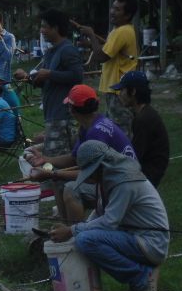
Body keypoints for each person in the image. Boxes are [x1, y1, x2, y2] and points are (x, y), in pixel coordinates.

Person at [49, 140, 169, 291]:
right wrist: (77, 229)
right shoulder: (110, 177)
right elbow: (100, 213)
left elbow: (109, 222)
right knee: (84, 236)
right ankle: (140, 275)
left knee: (85, 240)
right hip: (134, 235)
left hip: (151, 242)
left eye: (90, 172)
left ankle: (142, 277)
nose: (89, 177)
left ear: (101, 165)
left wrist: (72, 230)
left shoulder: (124, 182)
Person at [26, 84, 136, 223]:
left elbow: (90, 176)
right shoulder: (91, 124)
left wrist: (51, 173)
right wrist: (45, 159)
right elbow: (74, 158)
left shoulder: (96, 131)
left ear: (72, 109)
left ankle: (73, 234)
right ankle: (65, 227)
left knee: (70, 189)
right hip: (115, 180)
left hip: (121, 186)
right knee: (58, 181)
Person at [14, 9, 83, 216]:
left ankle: (66, 219)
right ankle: (63, 214)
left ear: (56, 28)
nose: (42, 30)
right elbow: (42, 81)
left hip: (63, 117)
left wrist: (50, 73)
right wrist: (27, 78)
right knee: (51, 169)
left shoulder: (68, 50)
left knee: (54, 169)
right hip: (52, 116)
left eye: (45, 26)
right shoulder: (52, 51)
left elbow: (77, 76)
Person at [78, 0, 139, 137]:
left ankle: (127, 157)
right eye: (112, 7)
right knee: (113, 129)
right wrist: (90, 44)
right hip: (114, 89)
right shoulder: (118, 30)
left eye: (117, 9)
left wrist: (91, 35)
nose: (112, 12)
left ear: (128, 14)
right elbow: (106, 50)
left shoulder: (122, 31)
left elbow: (101, 57)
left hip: (119, 91)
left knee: (121, 132)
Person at [111, 71, 169, 187]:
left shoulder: (143, 119)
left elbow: (134, 156)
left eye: (122, 90)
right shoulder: (144, 113)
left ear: (133, 91)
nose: (119, 94)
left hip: (147, 176)